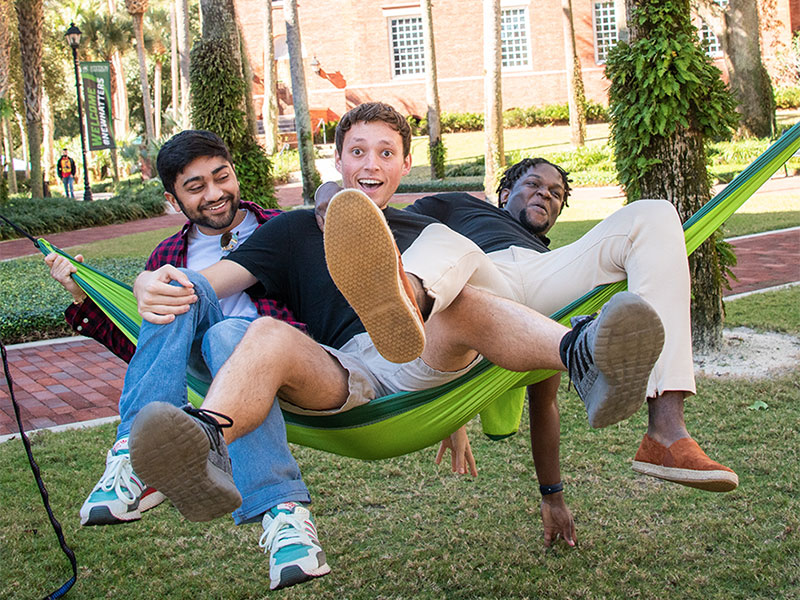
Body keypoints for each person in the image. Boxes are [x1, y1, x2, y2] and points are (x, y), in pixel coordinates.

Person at [124, 102, 662, 571]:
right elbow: (207, 284)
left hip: (428, 353)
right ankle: (206, 442)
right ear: (339, 162)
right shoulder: (289, 230)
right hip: (347, 368)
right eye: (357, 151)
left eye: (386, 153)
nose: (371, 163)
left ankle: (576, 353)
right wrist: (150, 280)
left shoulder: (423, 226)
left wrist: (454, 418)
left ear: (406, 166)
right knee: (263, 333)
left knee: (466, 298)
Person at [316, 157, 738, 495]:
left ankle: (666, 432)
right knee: (443, 240)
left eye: (556, 194)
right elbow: (371, 210)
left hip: (544, 280)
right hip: (477, 281)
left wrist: (552, 494)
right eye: (534, 184)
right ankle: (404, 305)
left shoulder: (554, 255)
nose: (546, 195)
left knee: (654, 213)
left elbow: (544, 401)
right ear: (504, 193)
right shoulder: (457, 204)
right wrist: (330, 193)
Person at [44, 130, 323, 591]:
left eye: (222, 177)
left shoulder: (285, 229)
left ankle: (274, 505)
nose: (215, 194)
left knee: (227, 328)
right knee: (185, 296)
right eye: (196, 187)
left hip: (288, 362)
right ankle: (137, 457)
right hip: (210, 372)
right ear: (173, 199)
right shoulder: (168, 257)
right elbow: (148, 350)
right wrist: (83, 297)